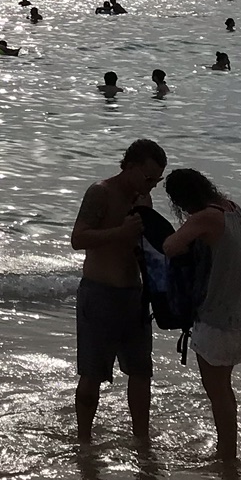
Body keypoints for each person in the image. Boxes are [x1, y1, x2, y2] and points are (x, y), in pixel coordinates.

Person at [71, 139, 168, 445]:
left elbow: (149, 250)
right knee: (92, 375)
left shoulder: (144, 201)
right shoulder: (100, 192)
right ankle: (83, 441)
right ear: (129, 166)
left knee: (141, 373)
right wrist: (120, 232)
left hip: (135, 296)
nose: (151, 186)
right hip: (99, 293)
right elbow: (78, 238)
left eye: (157, 181)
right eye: (147, 178)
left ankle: (142, 440)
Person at [161, 168, 241, 460]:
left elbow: (169, 246)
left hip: (216, 317)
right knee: (224, 389)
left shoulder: (205, 218)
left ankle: (226, 454)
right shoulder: (233, 210)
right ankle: (227, 449)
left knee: (217, 391)